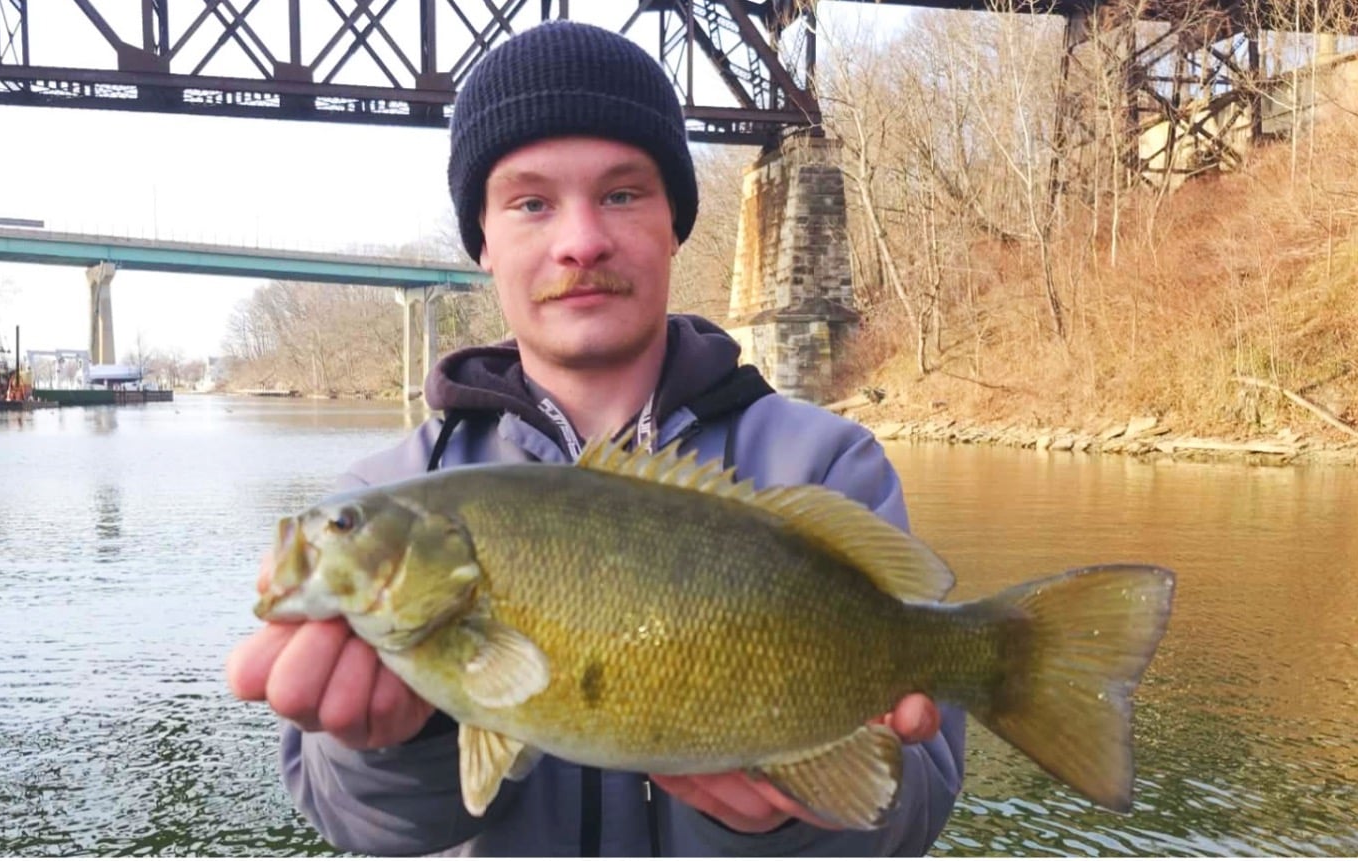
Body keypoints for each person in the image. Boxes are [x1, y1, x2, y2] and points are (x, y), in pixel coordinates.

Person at [226, 19, 966, 856]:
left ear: (676, 222)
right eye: (531, 202)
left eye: (621, 193)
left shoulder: (829, 465)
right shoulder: (393, 481)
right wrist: (401, 742)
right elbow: (356, 821)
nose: (580, 241)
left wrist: (787, 817)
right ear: (482, 243)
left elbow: (911, 808)